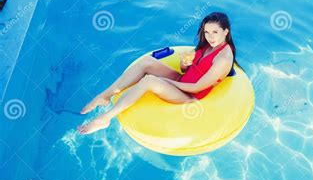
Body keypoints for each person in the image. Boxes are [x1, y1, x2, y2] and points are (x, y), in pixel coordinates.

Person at [78, 12, 236, 135]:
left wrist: (163, 81)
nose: (210, 37)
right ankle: (105, 96)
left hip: (190, 96)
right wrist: (185, 64)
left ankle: (105, 119)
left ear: (225, 31)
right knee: (147, 62)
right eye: (207, 32)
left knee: (150, 81)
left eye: (215, 32)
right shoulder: (208, 44)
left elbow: (196, 87)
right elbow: (186, 72)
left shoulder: (223, 59)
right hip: (184, 81)